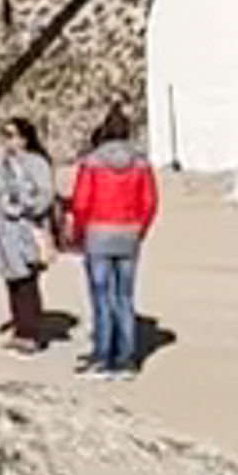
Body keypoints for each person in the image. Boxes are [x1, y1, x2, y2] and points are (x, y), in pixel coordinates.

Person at [64, 106, 158, 375]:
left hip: (98, 232)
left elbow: (81, 202)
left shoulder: (91, 163)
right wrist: (140, 229)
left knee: (101, 296)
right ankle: (127, 358)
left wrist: (80, 231)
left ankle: (103, 355)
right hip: (128, 232)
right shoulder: (141, 163)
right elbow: (149, 202)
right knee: (125, 296)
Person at [0, 126, 61, 348]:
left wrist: (24, 207)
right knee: (12, 281)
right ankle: (20, 328)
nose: (7, 140)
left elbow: (46, 195)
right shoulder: (0, 161)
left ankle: (29, 333)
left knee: (26, 280)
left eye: (12, 135)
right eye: (4, 135)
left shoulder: (37, 163)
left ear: (25, 138)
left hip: (26, 228)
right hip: (3, 230)